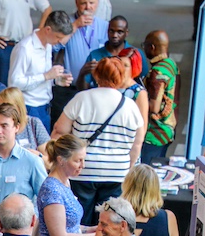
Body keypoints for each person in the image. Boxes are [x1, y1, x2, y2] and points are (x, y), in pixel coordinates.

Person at [51, 57, 144, 226]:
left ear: (96, 75)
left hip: (83, 170)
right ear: (121, 77)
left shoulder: (81, 99)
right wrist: (127, 167)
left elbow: (59, 131)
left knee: (80, 220)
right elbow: (137, 145)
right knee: (108, 222)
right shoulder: (130, 106)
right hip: (117, 174)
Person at [8, 10, 75, 132]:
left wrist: (56, 80)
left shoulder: (48, 45)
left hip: (45, 106)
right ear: (48, 30)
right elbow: (14, 83)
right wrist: (46, 76)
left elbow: (43, 77)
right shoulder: (25, 48)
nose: (60, 42)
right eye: (58, 37)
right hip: (29, 107)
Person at [78, 16, 150, 89]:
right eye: (111, 31)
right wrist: (82, 74)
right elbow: (83, 89)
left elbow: (145, 83)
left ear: (126, 33)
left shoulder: (136, 54)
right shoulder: (94, 55)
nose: (114, 35)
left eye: (119, 32)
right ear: (107, 31)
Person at [141, 30, 180, 164]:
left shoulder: (157, 72)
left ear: (152, 47)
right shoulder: (171, 64)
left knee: (145, 174)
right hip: (169, 129)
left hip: (154, 134)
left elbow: (154, 107)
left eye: (144, 46)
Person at [0, 86, 51, 154]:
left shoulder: (34, 124)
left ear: (18, 106)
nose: (2, 110)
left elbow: (49, 160)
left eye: (7, 107)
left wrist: (35, 156)